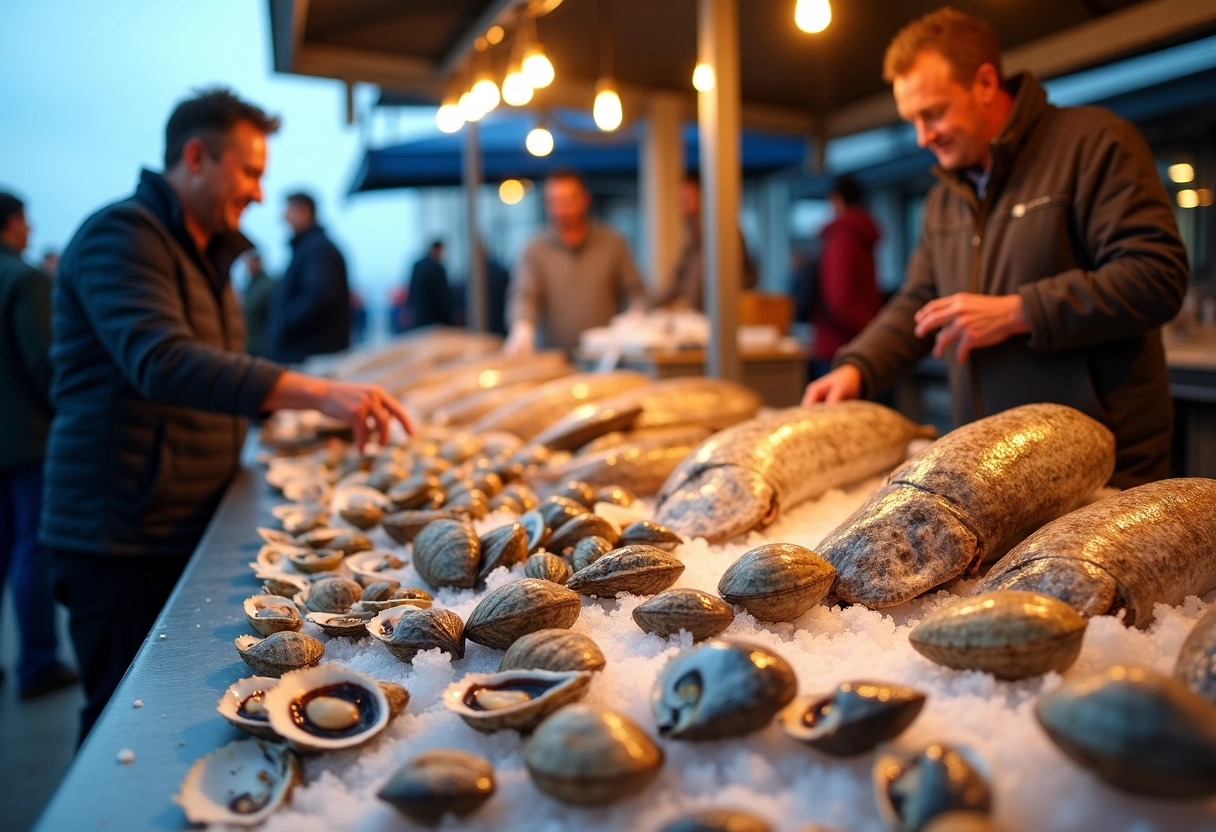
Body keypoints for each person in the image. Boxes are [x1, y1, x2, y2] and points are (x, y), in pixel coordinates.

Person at [41, 87, 411, 741]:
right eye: (250, 172)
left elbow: (224, 375)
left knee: (171, 716)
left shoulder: (207, 251)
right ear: (195, 157)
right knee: (120, 725)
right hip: (118, 537)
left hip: (179, 521)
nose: (261, 194)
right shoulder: (120, 236)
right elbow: (164, 361)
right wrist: (318, 392)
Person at [802, 7, 1188, 489]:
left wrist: (1018, 311)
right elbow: (920, 304)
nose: (923, 137)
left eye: (934, 113)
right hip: (991, 468)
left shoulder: (1094, 144)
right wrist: (856, 368)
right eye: (913, 121)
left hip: (1101, 465)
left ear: (985, 83)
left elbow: (1158, 275)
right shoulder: (945, 199)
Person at [0, 192, 78, 699]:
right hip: (25, 439)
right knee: (33, 549)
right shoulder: (24, 278)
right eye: (25, 221)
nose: (30, 230)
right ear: (10, 225)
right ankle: (37, 663)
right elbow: (44, 363)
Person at [504, 168, 647, 355]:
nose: (561, 210)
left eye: (567, 201)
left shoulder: (613, 243)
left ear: (584, 200)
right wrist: (522, 327)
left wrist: (636, 315)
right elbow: (524, 294)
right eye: (554, 202)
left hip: (604, 358)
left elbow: (635, 290)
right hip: (554, 360)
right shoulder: (535, 249)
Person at [806, 176, 884, 380]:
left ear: (836, 200)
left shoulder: (842, 238)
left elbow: (840, 301)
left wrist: (874, 331)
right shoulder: (861, 235)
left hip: (838, 348)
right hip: (859, 343)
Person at [265, 191, 351, 363]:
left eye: (288, 210)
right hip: (310, 352)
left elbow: (322, 296)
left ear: (304, 212)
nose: (283, 216)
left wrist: (287, 323)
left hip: (311, 356)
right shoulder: (311, 248)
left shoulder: (317, 250)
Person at [649, 173, 757, 310]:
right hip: (699, 314)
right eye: (681, 199)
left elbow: (743, 275)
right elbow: (678, 279)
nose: (683, 204)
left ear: (703, 196)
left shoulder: (723, 229)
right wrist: (649, 303)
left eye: (688, 198)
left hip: (720, 313)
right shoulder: (691, 232)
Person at [403, 239, 454, 330]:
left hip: (419, 314)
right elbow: (442, 295)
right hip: (435, 317)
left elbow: (412, 289)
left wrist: (409, 308)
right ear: (437, 249)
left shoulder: (417, 265)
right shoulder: (438, 268)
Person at [240, 248, 274, 357]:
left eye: (254, 260)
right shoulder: (249, 286)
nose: (250, 264)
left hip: (263, 348)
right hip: (250, 346)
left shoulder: (269, 286)